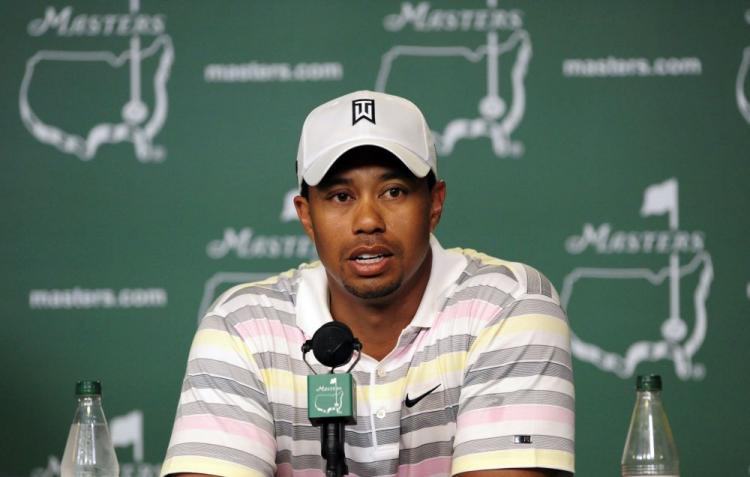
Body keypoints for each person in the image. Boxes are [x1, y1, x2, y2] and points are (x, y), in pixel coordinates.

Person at [160, 91, 575, 477]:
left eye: (393, 191)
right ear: (306, 215)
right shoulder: (242, 327)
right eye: (341, 196)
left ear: (435, 203)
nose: (368, 221)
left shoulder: (509, 305)